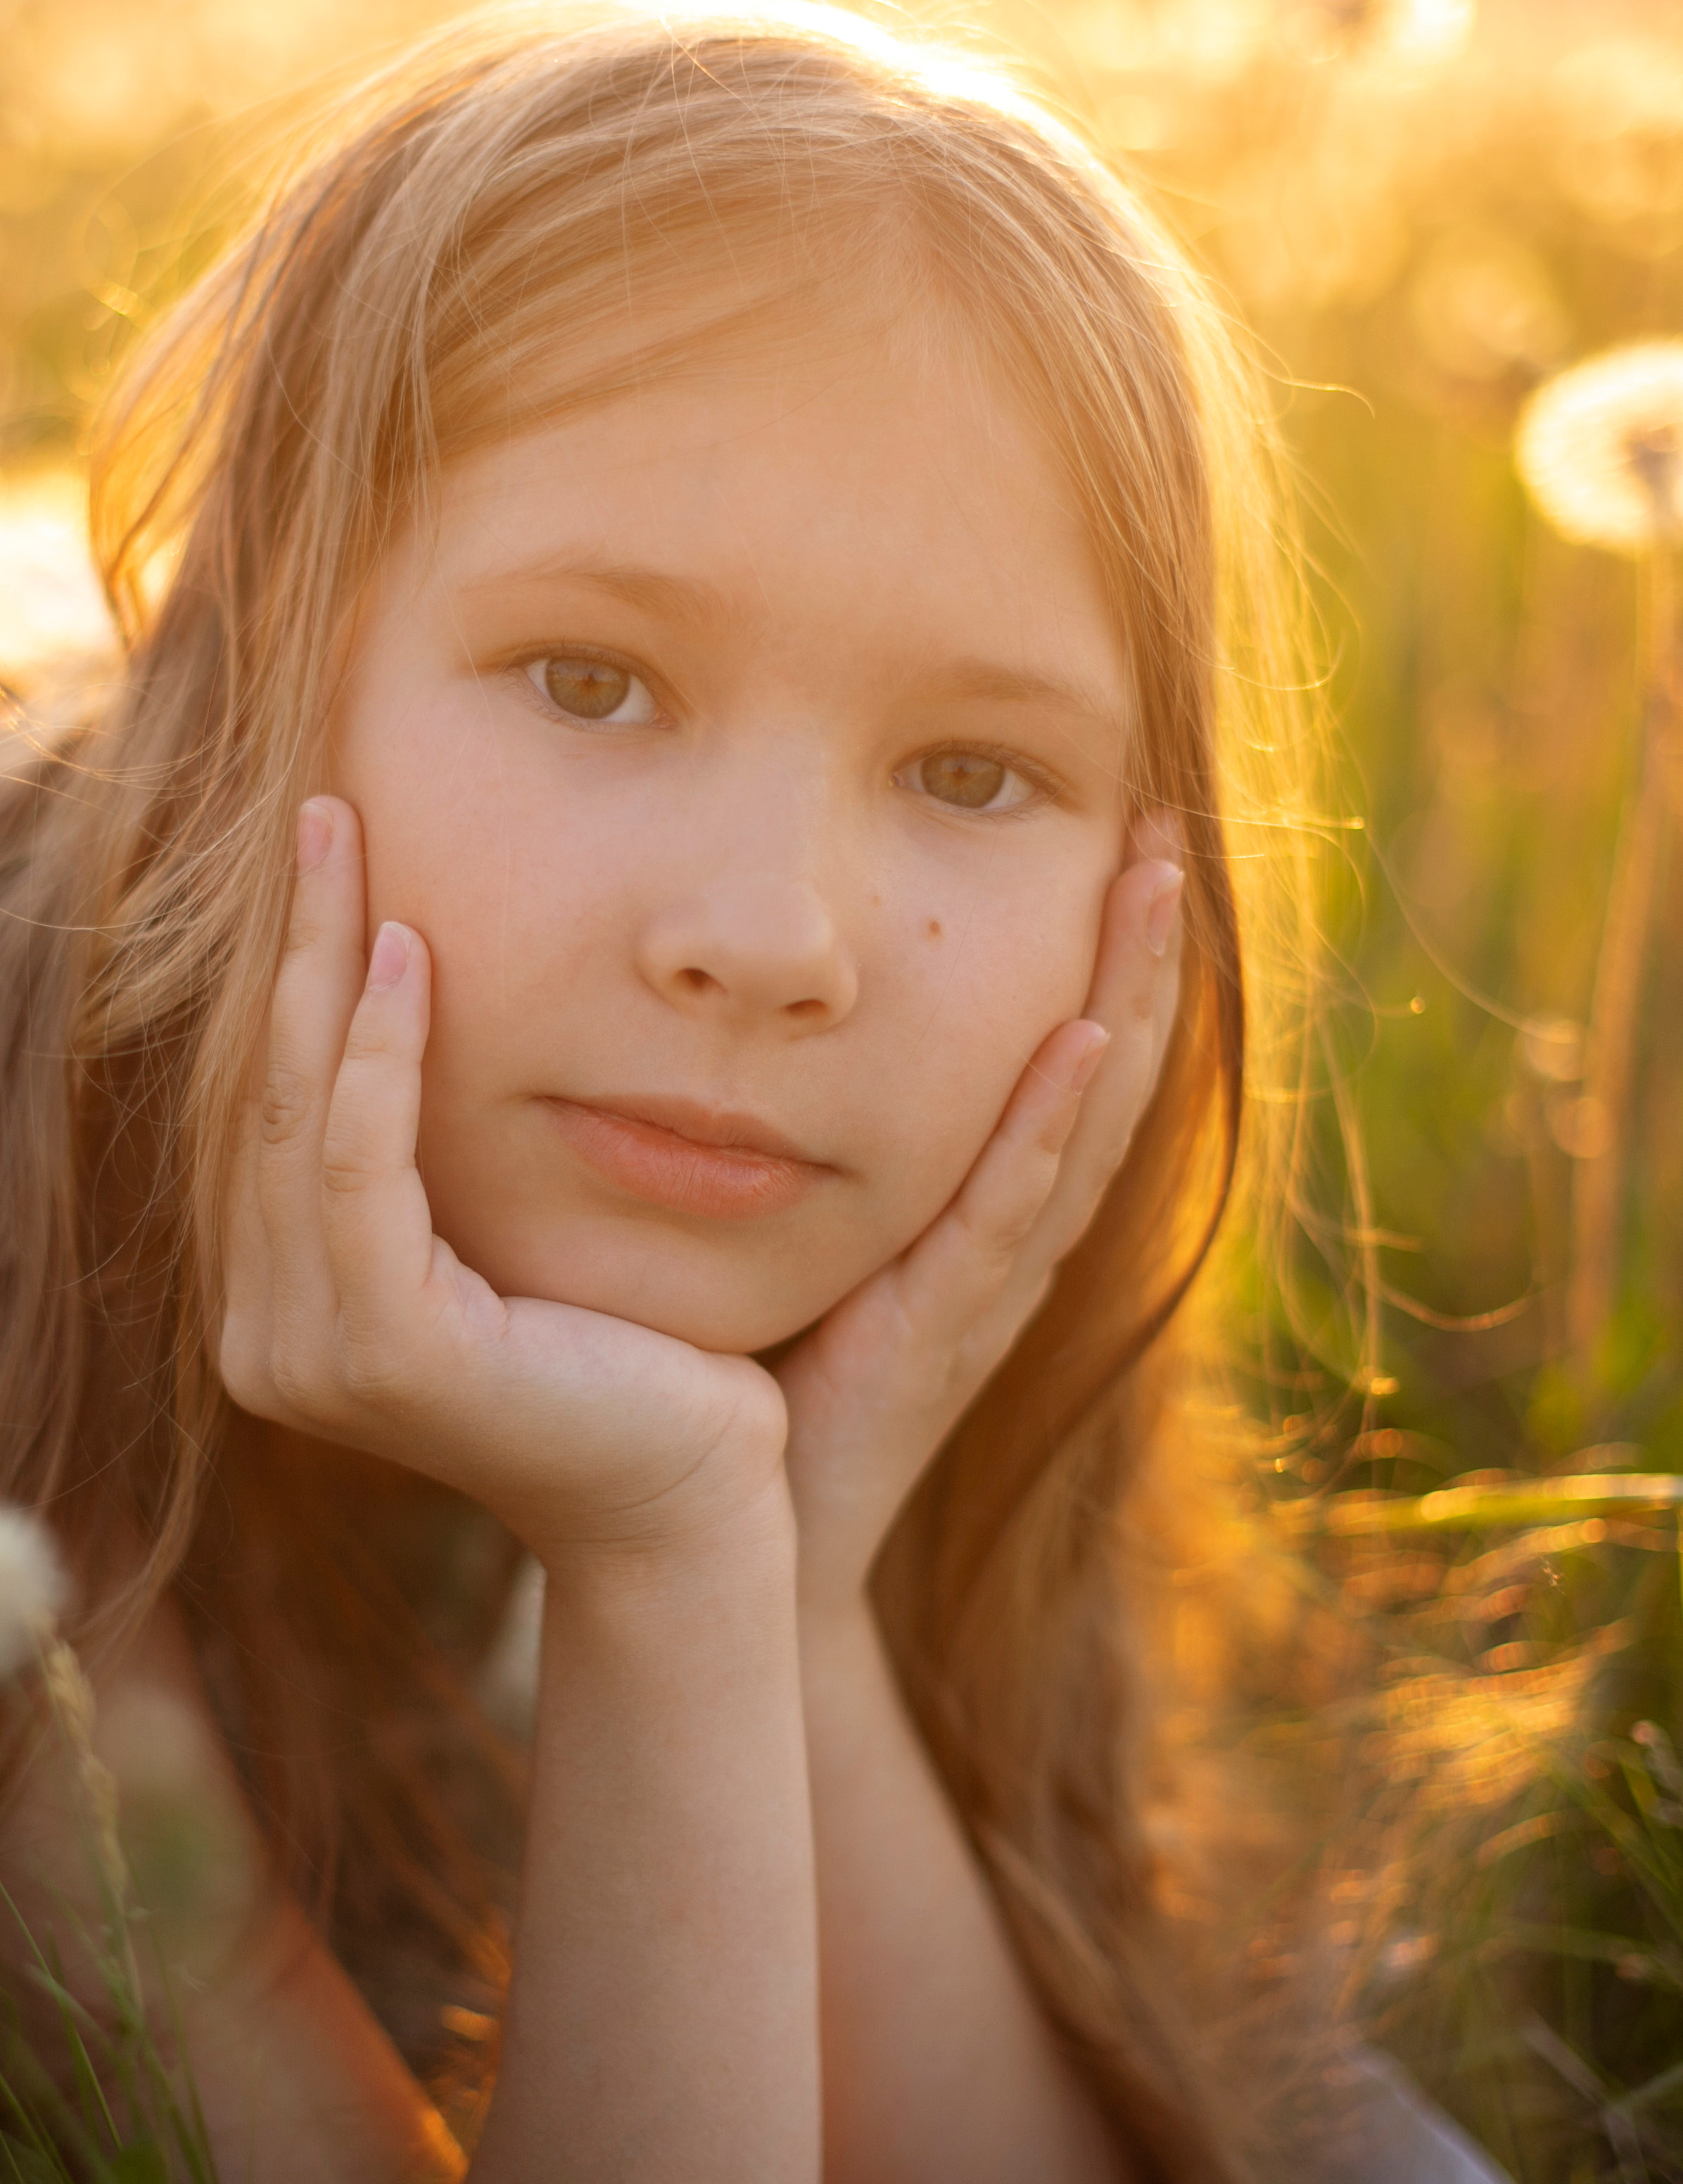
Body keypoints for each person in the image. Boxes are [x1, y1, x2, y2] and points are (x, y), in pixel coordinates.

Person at [0, 9, 1508, 2179]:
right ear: (255, 692)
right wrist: (663, 1552)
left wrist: (756, 1584)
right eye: (593, 682)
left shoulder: (923, 1315)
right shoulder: (35, 1485)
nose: (776, 936)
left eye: (974, 775)